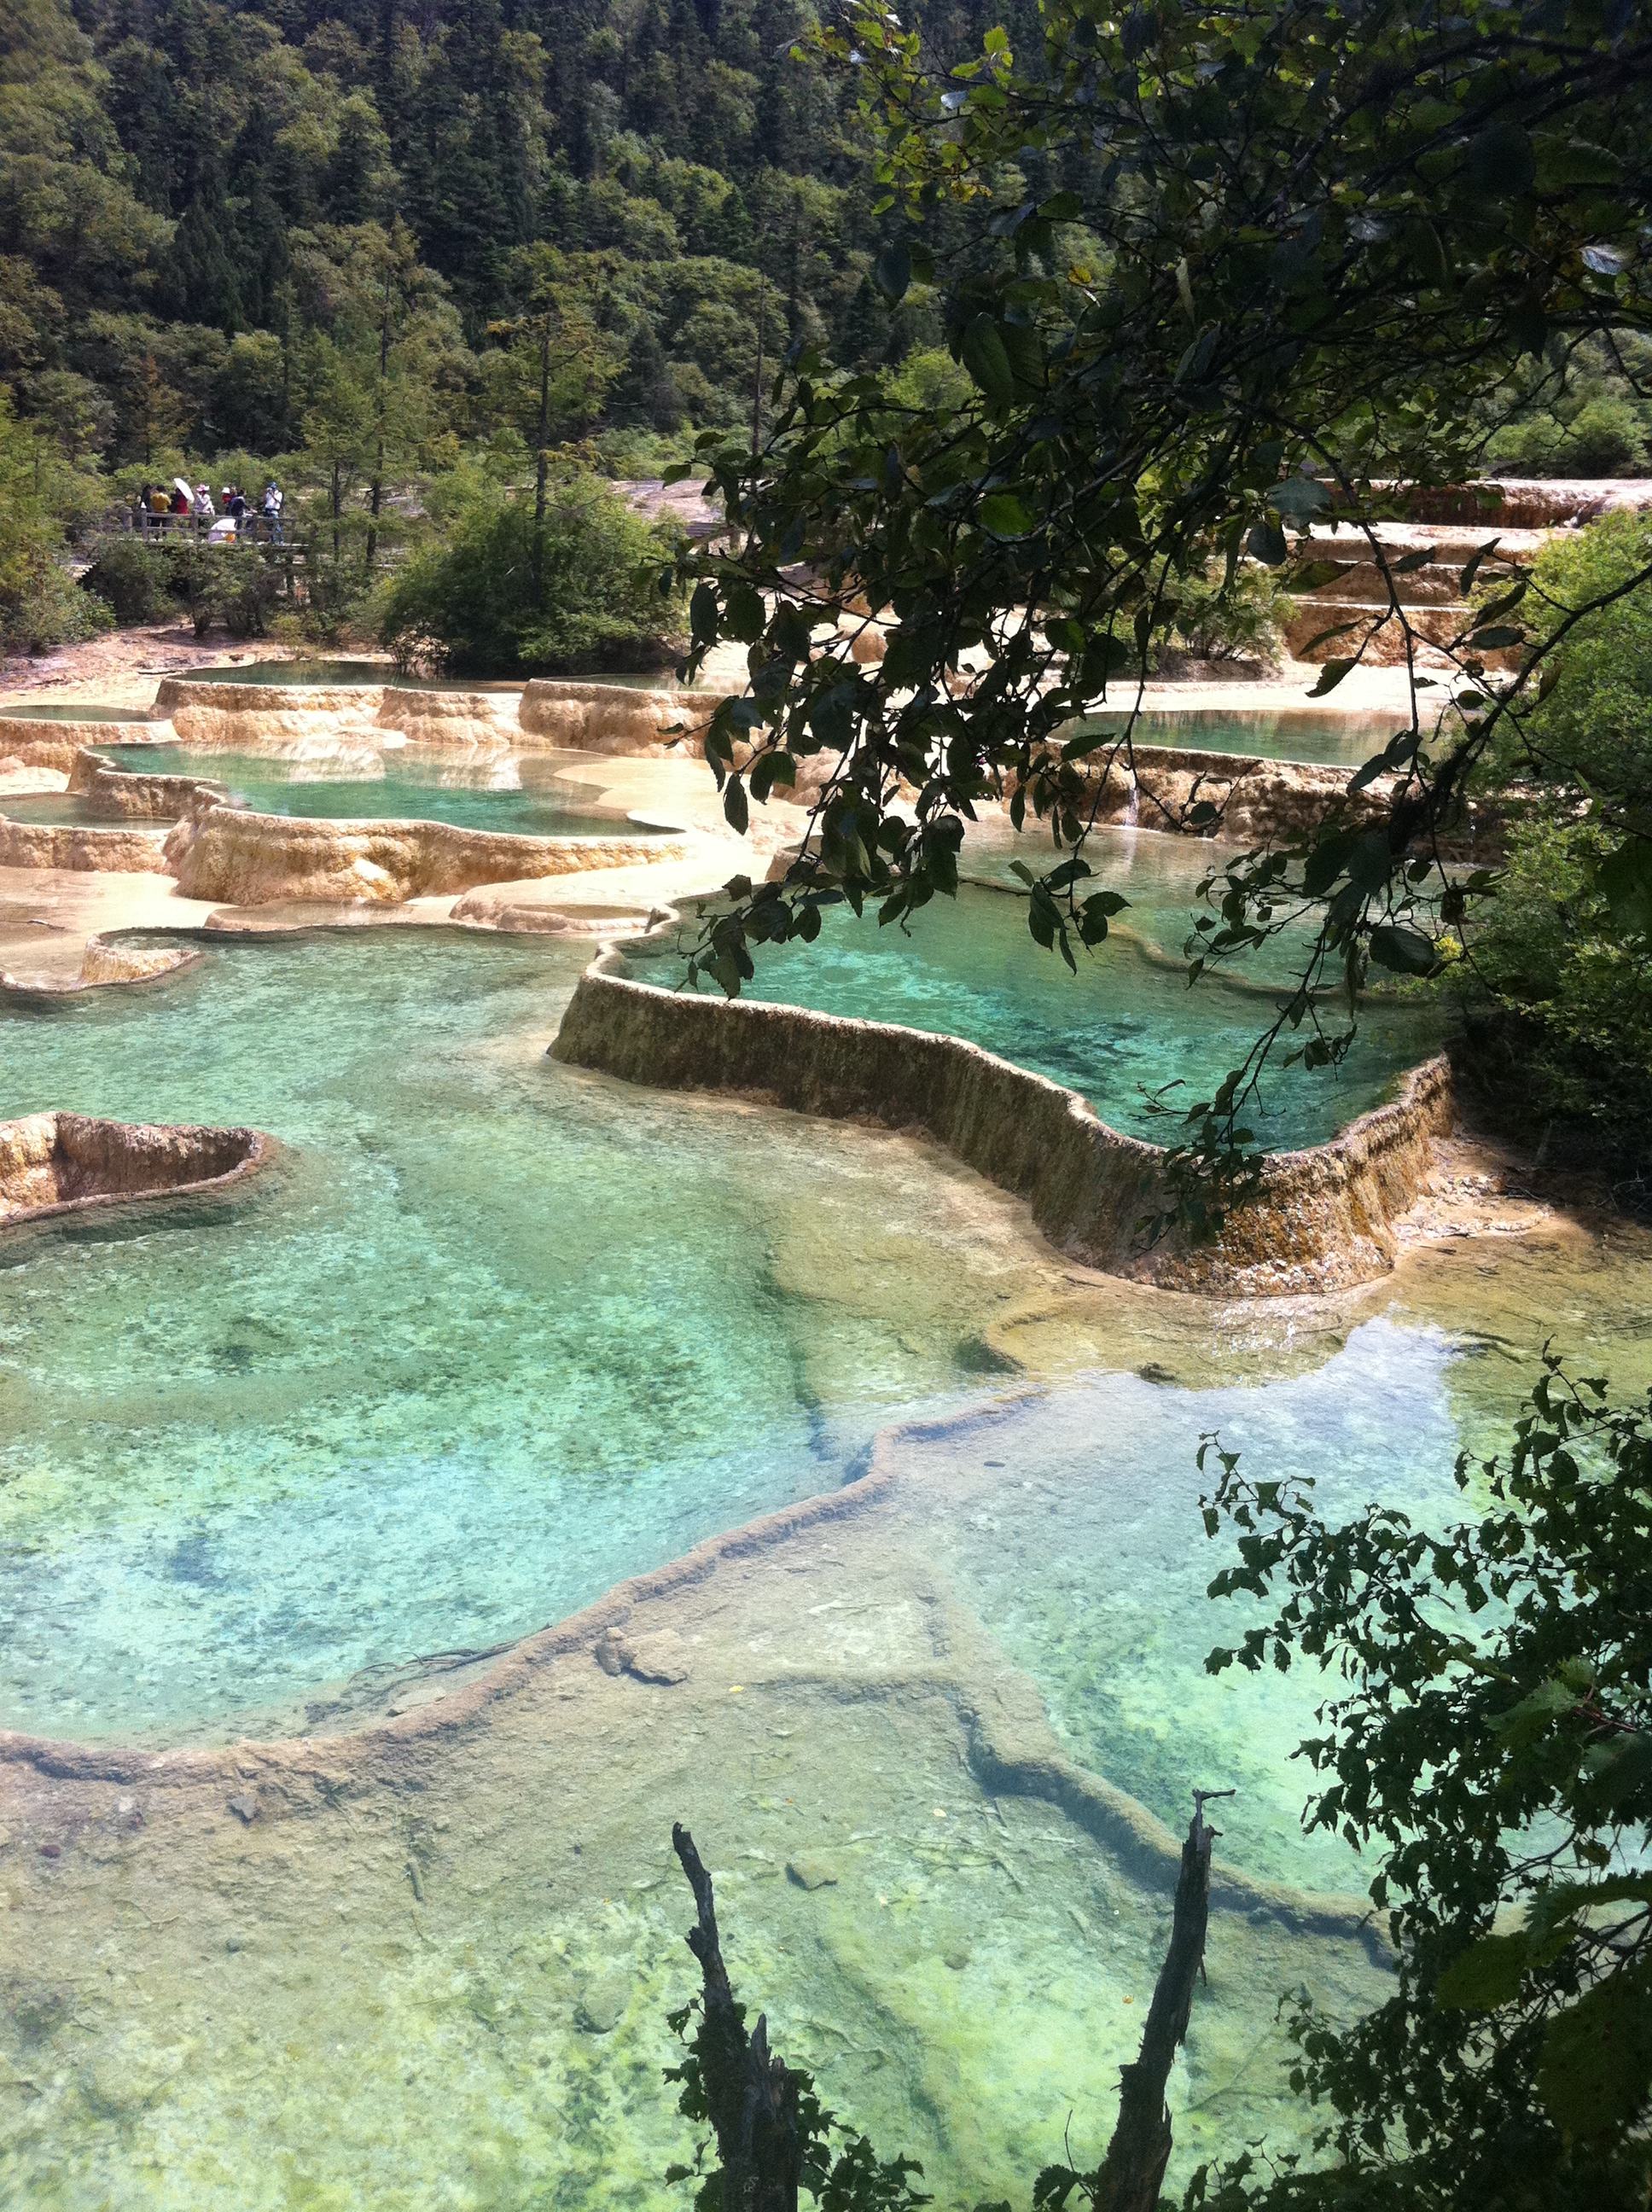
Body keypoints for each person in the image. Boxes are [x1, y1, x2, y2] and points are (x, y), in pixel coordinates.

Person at [261, 481, 283, 545]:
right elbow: (264, 501)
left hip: (274, 511)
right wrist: (265, 493)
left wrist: (272, 494)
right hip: (267, 510)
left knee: (276, 526)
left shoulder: (279, 493)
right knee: (269, 526)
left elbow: (278, 501)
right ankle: (272, 540)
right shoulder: (268, 493)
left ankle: (280, 540)